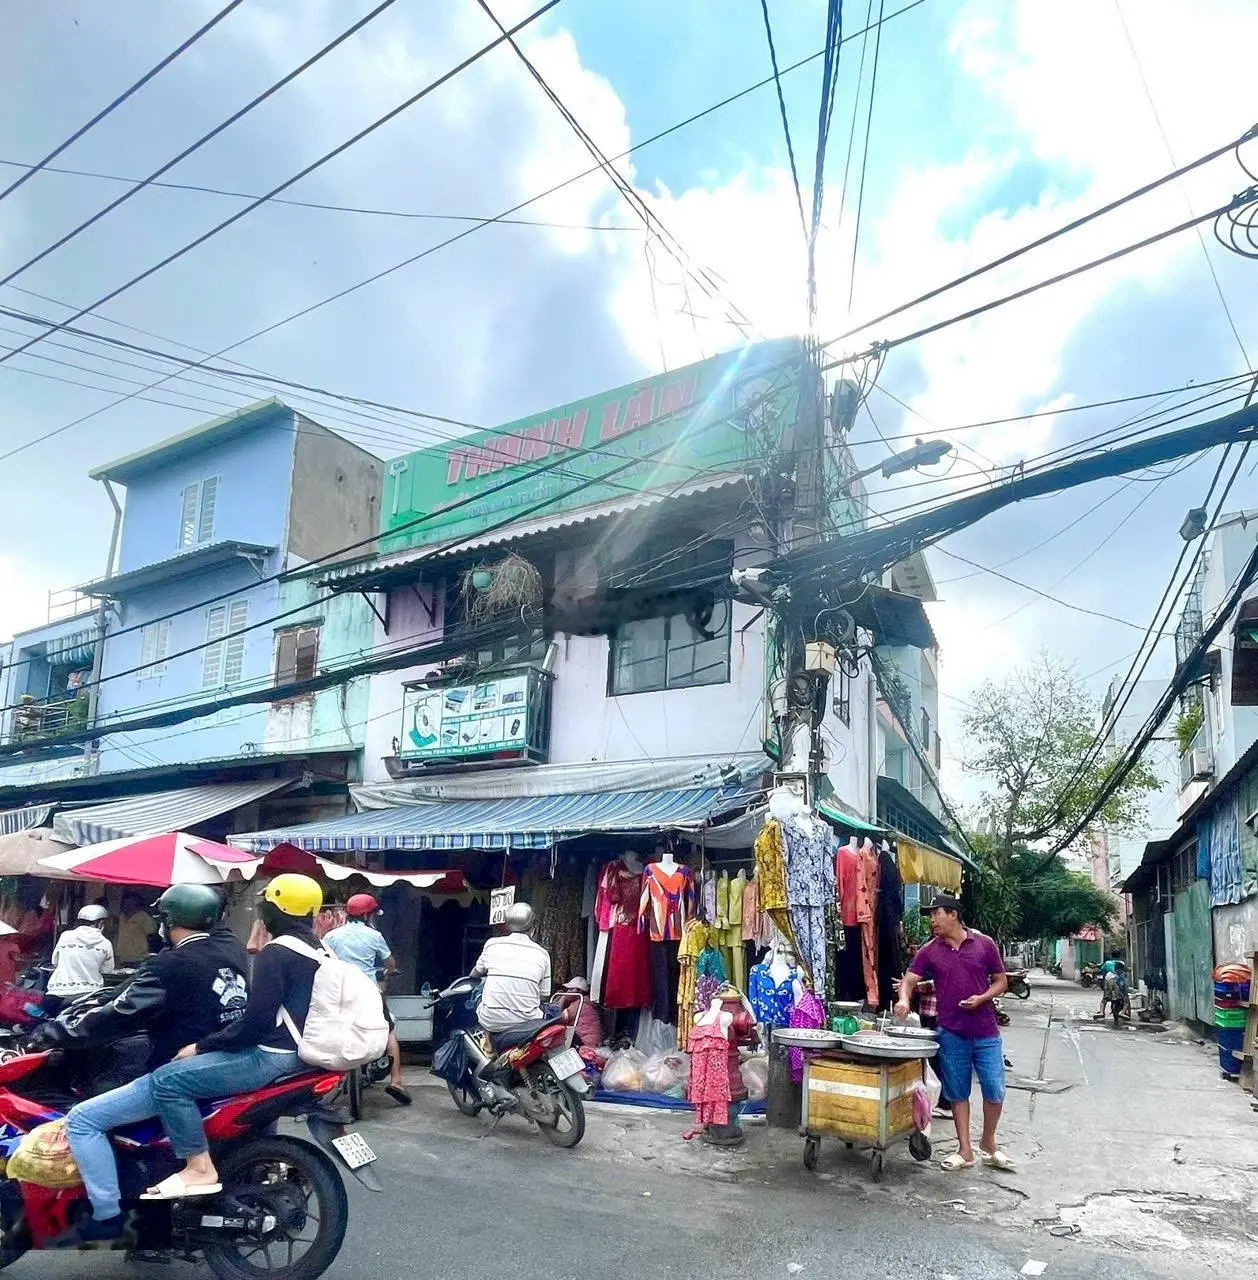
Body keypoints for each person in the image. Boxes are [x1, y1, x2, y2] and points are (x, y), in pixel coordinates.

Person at [62, 883, 249, 1242]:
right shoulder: (232, 947)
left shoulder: (172, 962)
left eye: (163, 917)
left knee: (83, 1119)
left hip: (186, 1069)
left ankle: (107, 1218)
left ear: (170, 920)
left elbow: (123, 1012)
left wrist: (62, 1033)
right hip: (226, 1059)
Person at [140, 873, 326, 1201]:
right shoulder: (321, 951)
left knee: (167, 1081)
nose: (260, 910)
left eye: (265, 904)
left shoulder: (277, 953)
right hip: (304, 1056)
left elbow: (255, 1023)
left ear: (277, 909)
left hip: (273, 1055)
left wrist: (201, 1046)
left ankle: (198, 1167)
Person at [896, 893, 1013, 1173]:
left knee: (994, 1090)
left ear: (953, 915)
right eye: (932, 915)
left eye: (936, 914)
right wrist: (903, 999)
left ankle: (989, 1142)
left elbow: (1002, 981)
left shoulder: (984, 944)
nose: (933, 920)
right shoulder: (930, 950)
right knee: (957, 1092)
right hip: (950, 1032)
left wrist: (982, 998)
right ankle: (965, 1150)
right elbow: (909, 980)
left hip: (986, 1032)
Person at [324, 892, 411, 1106]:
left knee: (329, 1029)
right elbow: (390, 963)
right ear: (367, 916)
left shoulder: (332, 936)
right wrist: (387, 972)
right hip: (368, 991)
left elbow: (323, 960)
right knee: (387, 1031)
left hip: (339, 992)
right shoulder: (374, 936)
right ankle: (397, 1081)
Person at [471, 902, 552, 1045]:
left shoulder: (492, 944)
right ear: (533, 927)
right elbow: (544, 995)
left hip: (491, 1021)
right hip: (529, 1023)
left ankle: (486, 1041)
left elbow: (475, 975)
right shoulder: (542, 953)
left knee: (478, 990)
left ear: (508, 925)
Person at [47, 904, 114, 1013]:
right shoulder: (106, 944)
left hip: (56, 991)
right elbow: (107, 970)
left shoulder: (65, 936)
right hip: (88, 994)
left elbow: (55, 962)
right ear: (101, 923)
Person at [115, 892, 159, 965]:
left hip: (138, 958)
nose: (127, 904)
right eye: (126, 902)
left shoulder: (143, 916)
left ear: (135, 903)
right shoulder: (121, 916)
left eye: (130, 902)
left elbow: (152, 931)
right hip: (121, 957)